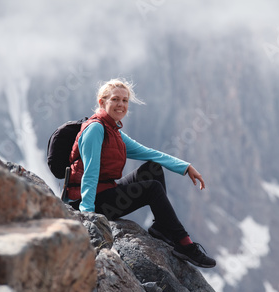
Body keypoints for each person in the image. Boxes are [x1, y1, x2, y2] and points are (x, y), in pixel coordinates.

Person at [67, 78, 216, 268]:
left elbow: (149, 153)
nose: (121, 104)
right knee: (152, 188)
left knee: (152, 169)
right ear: (102, 102)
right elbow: (90, 173)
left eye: (125, 100)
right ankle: (184, 243)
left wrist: (185, 167)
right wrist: (88, 218)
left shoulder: (113, 131)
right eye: (115, 99)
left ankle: (162, 227)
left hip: (104, 192)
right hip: (92, 203)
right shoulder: (96, 129)